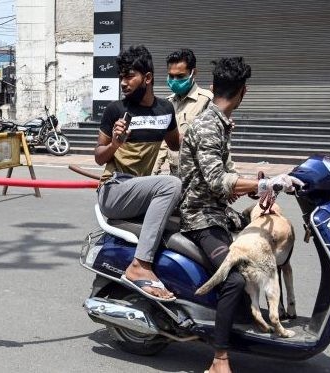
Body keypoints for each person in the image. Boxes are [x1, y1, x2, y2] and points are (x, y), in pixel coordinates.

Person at [179, 57, 302, 373]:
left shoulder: (221, 122)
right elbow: (218, 181)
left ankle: (260, 314)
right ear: (243, 92)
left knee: (271, 224)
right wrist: (263, 183)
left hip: (219, 210)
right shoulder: (208, 126)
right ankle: (219, 359)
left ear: (211, 87)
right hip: (201, 218)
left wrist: (257, 189)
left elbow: (227, 178)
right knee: (235, 278)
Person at [95, 45, 182, 302]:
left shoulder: (165, 110)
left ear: (147, 78)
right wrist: (115, 144)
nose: (123, 83)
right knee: (170, 185)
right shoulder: (115, 111)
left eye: (129, 76)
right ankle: (139, 266)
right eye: (121, 77)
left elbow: (177, 144)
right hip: (113, 190)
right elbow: (99, 157)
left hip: (139, 191)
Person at [153, 49, 212, 176]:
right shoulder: (168, 103)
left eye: (180, 76)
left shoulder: (207, 100)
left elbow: (215, 142)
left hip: (199, 176)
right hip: (175, 174)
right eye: (171, 76)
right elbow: (163, 143)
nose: (174, 80)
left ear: (193, 73)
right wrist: (152, 172)